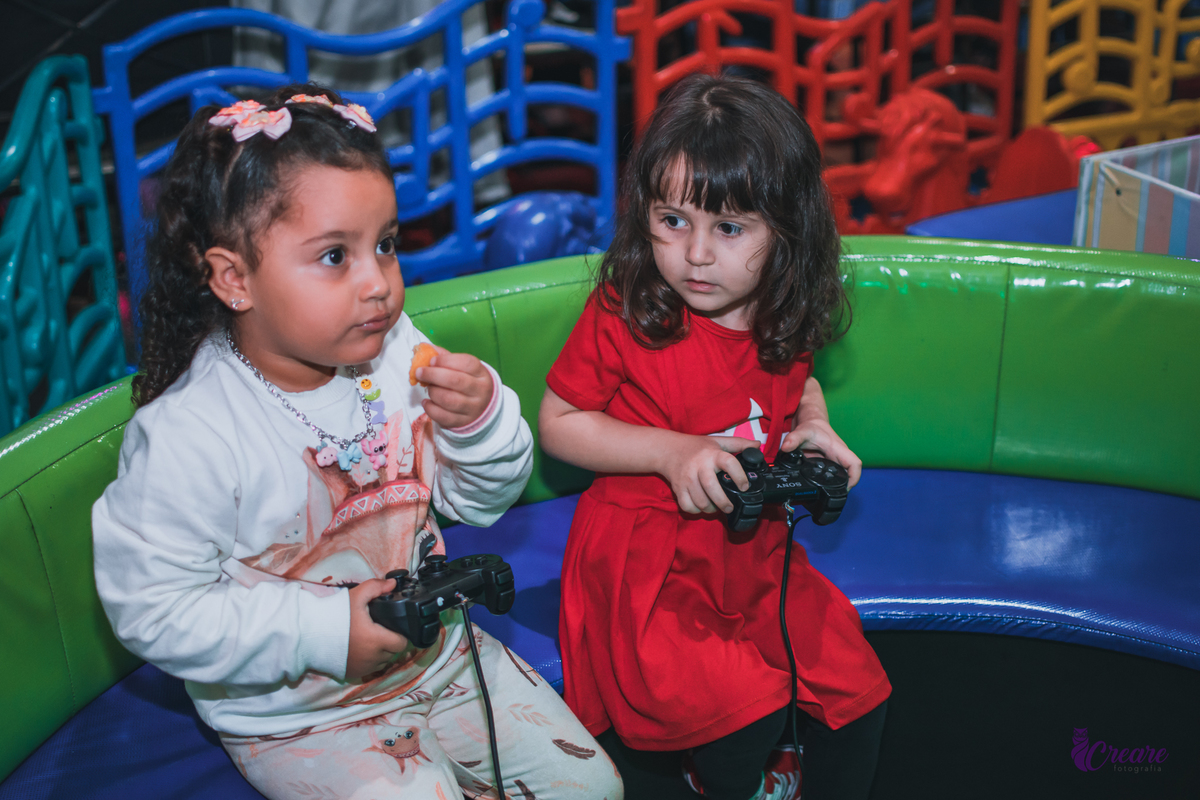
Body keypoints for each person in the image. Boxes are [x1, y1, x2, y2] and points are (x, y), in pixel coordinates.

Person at [92, 84, 621, 800]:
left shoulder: (398, 353)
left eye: (387, 244)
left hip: (441, 662)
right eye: (335, 256)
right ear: (233, 278)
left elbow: (480, 503)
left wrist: (481, 423)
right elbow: (153, 607)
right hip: (299, 715)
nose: (378, 283)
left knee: (593, 789)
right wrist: (328, 629)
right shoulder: (194, 432)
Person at [538, 73, 891, 800]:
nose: (696, 255)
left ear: (786, 231)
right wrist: (673, 451)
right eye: (672, 221)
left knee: (859, 689)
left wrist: (812, 426)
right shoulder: (628, 310)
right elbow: (559, 422)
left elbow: (797, 383)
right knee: (740, 716)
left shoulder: (777, 305)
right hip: (648, 565)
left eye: (728, 229)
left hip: (752, 556)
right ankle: (723, 778)